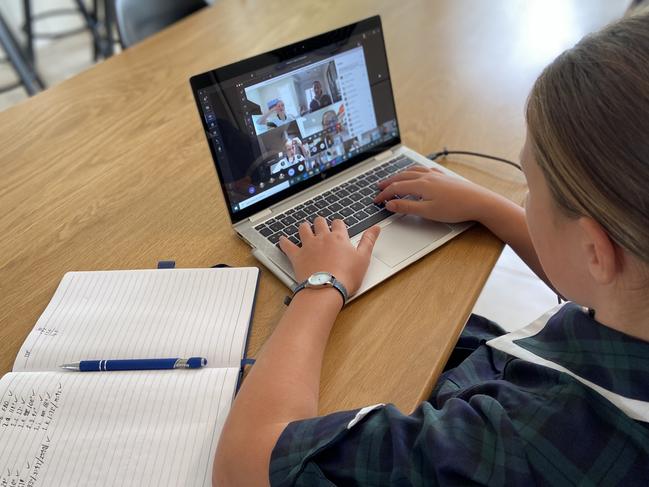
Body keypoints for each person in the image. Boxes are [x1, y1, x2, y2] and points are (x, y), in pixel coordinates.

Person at [214, 12, 649, 486]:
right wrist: (487, 206)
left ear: (595, 249)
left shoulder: (515, 441)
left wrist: (321, 284)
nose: (523, 197)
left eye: (529, 182)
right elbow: (604, 274)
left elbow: (245, 464)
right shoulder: (631, 302)